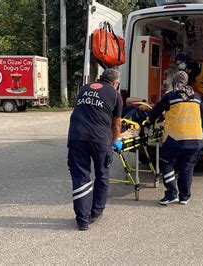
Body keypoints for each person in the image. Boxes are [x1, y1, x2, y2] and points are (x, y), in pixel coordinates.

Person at [67, 68, 123, 231]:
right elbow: (117, 124)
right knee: (102, 174)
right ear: (115, 83)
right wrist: (113, 142)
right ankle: (96, 212)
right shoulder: (115, 95)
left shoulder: (84, 88)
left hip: (76, 136)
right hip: (100, 139)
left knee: (80, 176)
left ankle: (82, 220)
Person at [147, 71, 203, 205]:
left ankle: (171, 194)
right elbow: (202, 116)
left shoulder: (170, 97)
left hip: (175, 138)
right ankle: (184, 197)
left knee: (167, 164)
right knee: (187, 168)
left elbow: (156, 112)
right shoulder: (196, 97)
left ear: (174, 82)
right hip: (196, 138)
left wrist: (149, 122)